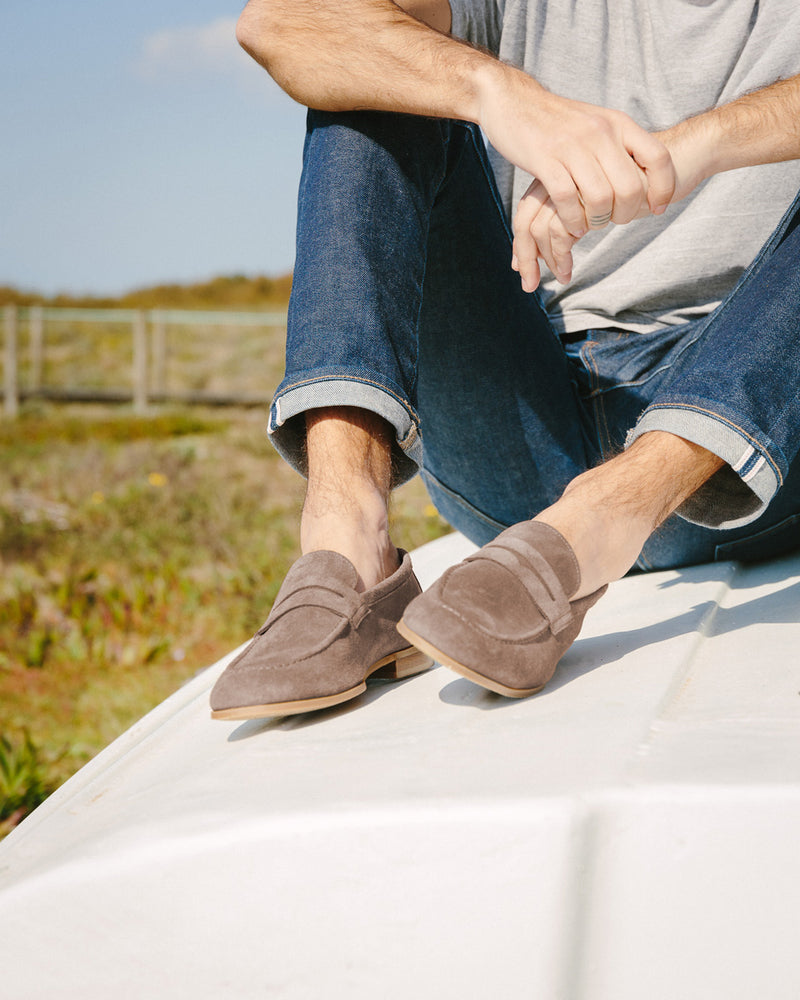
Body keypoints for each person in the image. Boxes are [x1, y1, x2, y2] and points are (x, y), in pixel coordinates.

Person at [210, 0, 800, 719]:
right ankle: (347, 545)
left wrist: (694, 146)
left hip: (741, 449)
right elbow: (279, 23)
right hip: (522, 436)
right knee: (372, 72)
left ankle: (607, 516)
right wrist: (497, 92)